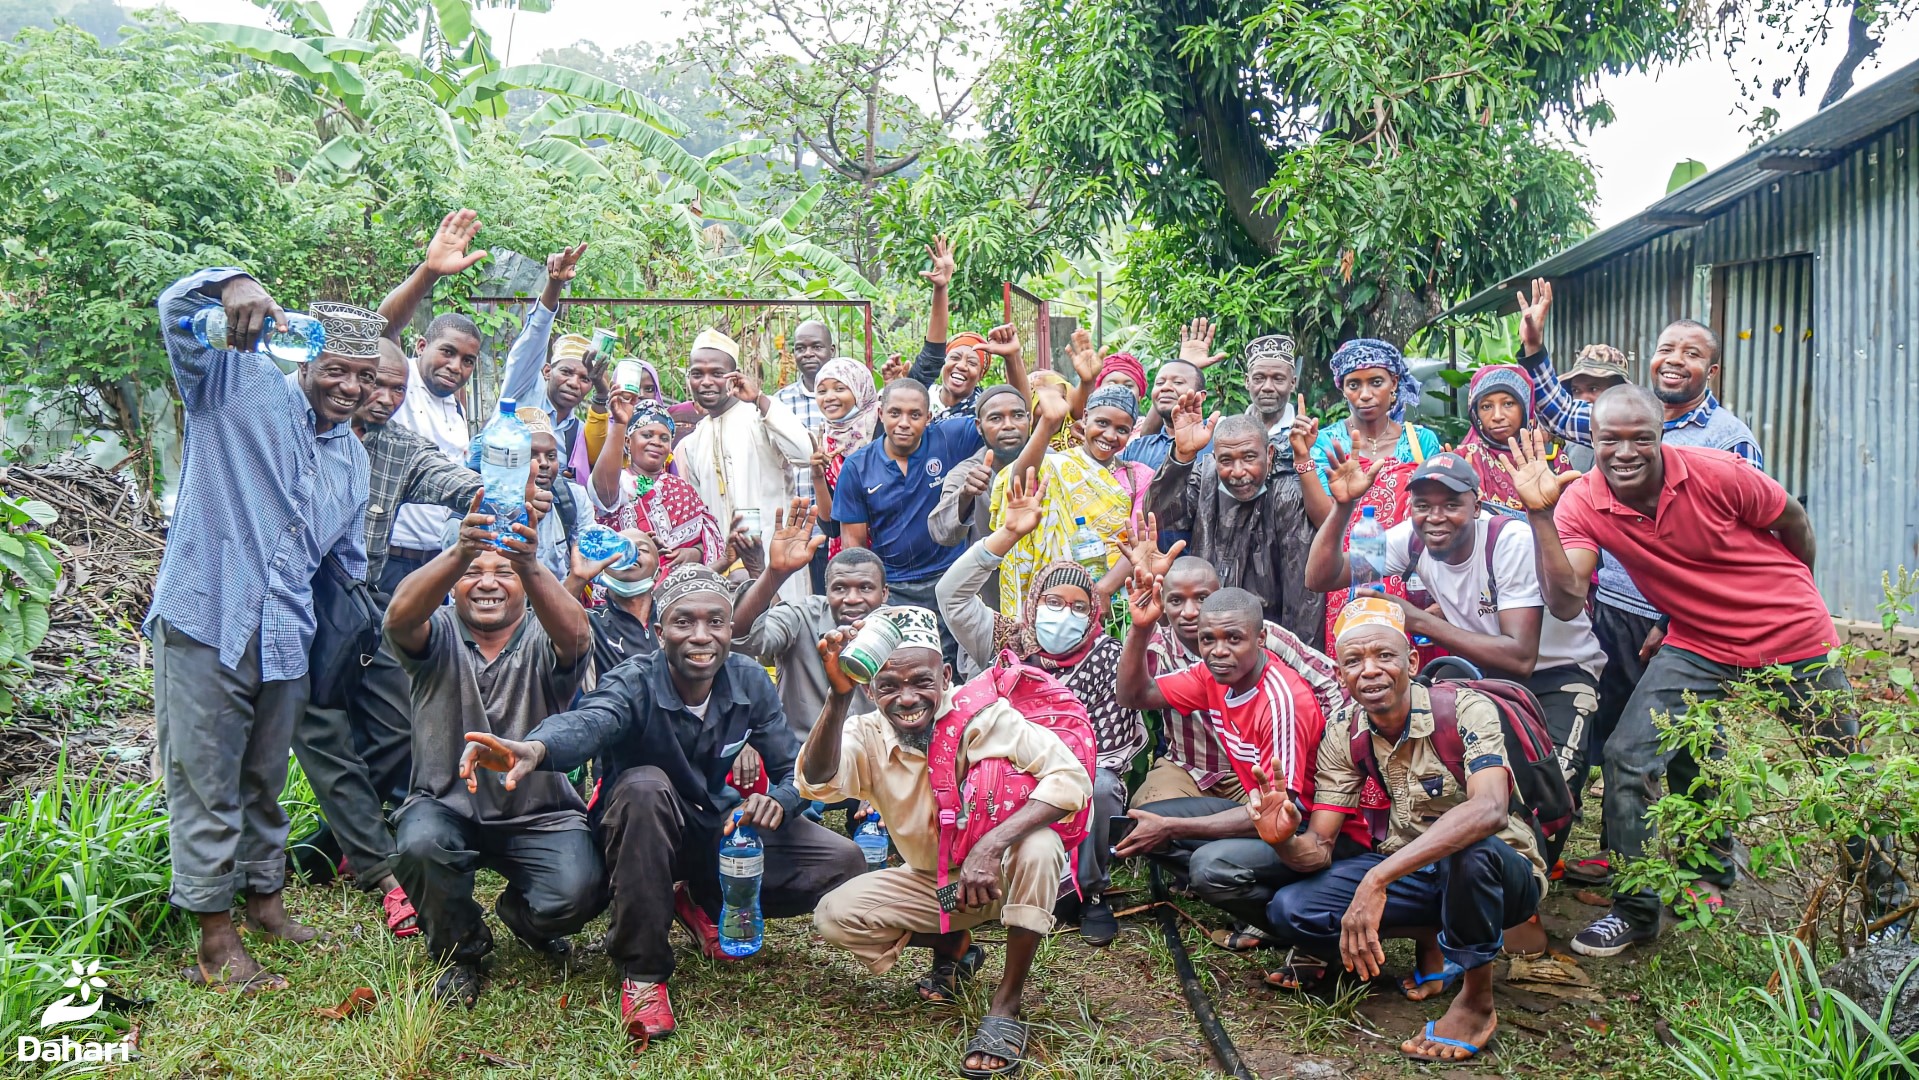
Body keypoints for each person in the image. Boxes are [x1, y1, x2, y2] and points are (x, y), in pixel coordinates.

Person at [1504, 396, 1858, 957]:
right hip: (1699, 641)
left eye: (1640, 437)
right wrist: (1540, 516)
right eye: (1609, 440)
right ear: (1590, 440)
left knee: (1843, 770)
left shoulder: (1719, 473)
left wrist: (1794, 595)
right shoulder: (1579, 503)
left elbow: (1793, 520)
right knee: (1626, 756)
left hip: (1793, 634)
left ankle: (1885, 906)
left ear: (1661, 432)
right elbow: (1567, 600)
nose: (1625, 452)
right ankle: (1636, 910)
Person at [461, 564, 864, 1044]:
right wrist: (537, 748)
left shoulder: (749, 679)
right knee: (645, 787)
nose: (701, 636)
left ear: (730, 629)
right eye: (683, 622)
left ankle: (701, 901)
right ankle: (644, 972)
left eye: (715, 622)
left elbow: (794, 770)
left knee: (843, 860)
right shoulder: (634, 680)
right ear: (659, 632)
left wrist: (778, 800)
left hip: (714, 825)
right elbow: (591, 721)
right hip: (638, 833)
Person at [148, 268, 379, 991]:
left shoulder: (355, 457)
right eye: (336, 370)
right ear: (304, 359)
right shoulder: (232, 387)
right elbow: (173, 310)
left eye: (363, 378)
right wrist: (231, 283)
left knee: (263, 781)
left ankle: (265, 904)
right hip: (208, 617)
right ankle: (216, 943)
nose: (348, 388)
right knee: (205, 780)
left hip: (287, 635)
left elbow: (345, 564)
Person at [1513, 282, 1763, 887]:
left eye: (1692, 352)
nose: (1675, 360)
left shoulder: (1727, 440)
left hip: (1684, 623)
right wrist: (1536, 349)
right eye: (1666, 348)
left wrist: (1676, 621)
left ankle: (1710, 869)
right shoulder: (1628, 416)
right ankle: (1624, 856)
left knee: (1692, 744)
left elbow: (1745, 547)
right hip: (1613, 610)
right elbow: (1561, 411)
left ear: (1713, 368)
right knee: (1620, 733)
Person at [803, 608, 1093, 1079]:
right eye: (889, 685)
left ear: (946, 675)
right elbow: (817, 782)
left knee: (1039, 845)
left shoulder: (986, 716)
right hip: (938, 887)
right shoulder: (864, 731)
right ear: (869, 689)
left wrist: (990, 846)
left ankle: (1006, 1004)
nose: (907, 698)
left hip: (1001, 878)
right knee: (834, 916)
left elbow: (1070, 779)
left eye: (921, 681)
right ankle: (954, 940)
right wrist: (837, 700)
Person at [1262, 599, 1546, 1064]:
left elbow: (1490, 809)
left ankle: (1476, 1000)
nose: (1369, 670)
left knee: (1467, 849)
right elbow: (1320, 847)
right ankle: (1437, 937)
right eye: (1353, 661)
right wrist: (1282, 838)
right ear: (1340, 674)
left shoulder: (1464, 708)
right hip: (1415, 868)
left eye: (1384, 656)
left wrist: (1377, 880)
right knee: (1291, 910)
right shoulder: (1345, 731)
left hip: (1500, 872)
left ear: (1412, 662)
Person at [1303, 450, 1606, 840]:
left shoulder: (1507, 542)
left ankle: (1529, 873)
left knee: (1551, 791)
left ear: (1477, 505)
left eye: (1451, 504)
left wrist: (1417, 620)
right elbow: (1320, 577)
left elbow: (1520, 657)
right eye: (1423, 505)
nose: (1435, 517)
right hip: (1484, 672)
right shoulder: (1413, 539)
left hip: (1560, 674)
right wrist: (1343, 507)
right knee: (1482, 783)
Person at [291, 335, 485, 942]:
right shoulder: (294, 430)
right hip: (288, 608)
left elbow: (449, 478)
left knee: (401, 726)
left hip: (357, 607)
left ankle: (330, 848)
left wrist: (490, 495)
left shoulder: (399, 447)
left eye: (396, 388)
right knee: (321, 730)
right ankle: (381, 872)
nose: (379, 396)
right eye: (373, 382)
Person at [384, 488, 602, 1007]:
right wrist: (458, 550)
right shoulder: (435, 634)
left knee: (581, 889)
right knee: (419, 844)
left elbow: (577, 637)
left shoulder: (542, 632)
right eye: (470, 572)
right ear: (451, 584)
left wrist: (529, 563)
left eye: (503, 572)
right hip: (445, 804)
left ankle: (522, 916)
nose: (486, 582)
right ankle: (460, 953)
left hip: (538, 812)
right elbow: (396, 619)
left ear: (525, 584)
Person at [1114, 583, 1367, 979]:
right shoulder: (1212, 675)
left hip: (1317, 835)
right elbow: (1134, 694)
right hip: (1264, 818)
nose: (1218, 651)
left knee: (1208, 867)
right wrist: (1140, 627)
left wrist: (1174, 826)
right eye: (1208, 639)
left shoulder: (1281, 701)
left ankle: (1311, 932)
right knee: (1143, 826)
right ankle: (1276, 915)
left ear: (1261, 638)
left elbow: (1288, 814)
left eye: (1234, 638)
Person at [938, 469, 1146, 944]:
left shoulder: (1106, 654)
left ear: (1094, 614)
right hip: (1004, 765)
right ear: (1034, 603)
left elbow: (1109, 747)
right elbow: (950, 595)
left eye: (1078, 607)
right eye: (1054, 601)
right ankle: (981, 872)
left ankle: (1089, 891)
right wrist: (1006, 534)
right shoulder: (1007, 640)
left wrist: (1059, 774)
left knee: (1101, 786)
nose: (1064, 614)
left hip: (1074, 772)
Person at [1146, 393, 1323, 646]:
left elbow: (1303, 598)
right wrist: (1182, 457)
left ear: (1270, 454)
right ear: (1215, 458)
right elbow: (1161, 519)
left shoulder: (1286, 495)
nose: (1238, 472)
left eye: (1249, 458)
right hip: (1204, 635)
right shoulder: (1204, 478)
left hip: (1266, 640)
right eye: (1226, 461)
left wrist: (1294, 658)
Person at [830, 377, 985, 664]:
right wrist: (869, 599)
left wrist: (1012, 358)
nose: (904, 422)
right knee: (904, 666)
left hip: (949, 580)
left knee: (952, 668)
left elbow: (1008, 419)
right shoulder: (857, 467)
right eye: (895, 413)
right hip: (895, 588)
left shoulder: (948, 439)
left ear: (928, 417)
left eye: (914, 415)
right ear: (880, 414)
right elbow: (854, 548)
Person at [373, 209, 489, 592]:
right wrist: (430, 272)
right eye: (447, 352)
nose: (456, 366)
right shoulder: (396, 380)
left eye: (467, 361)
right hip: (389, 557)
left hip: (437, 561)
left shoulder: (456, 408)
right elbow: (381, 329)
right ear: (421, 346)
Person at [1303, 338, 1443, 651]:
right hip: (1349, 578)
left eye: (1376, 382)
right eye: (1354, 385)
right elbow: (1326, 518)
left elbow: (1434, 520)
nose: (1365, 395)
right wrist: (1304, 461)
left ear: (1394, 383)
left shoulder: (1420, 441)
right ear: (1342, 388)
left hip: (1413, 579)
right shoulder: (1328, 442)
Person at [988, 375, 1152, 616]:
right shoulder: (1056, 464)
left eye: (1122, 430)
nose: (1109, 435)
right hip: (1052, 594)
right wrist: (1047, 424)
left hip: (1116, 600)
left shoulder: (1139, 476)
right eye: (1102, 423)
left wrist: (1102, 591)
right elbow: (1021, 482)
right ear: (1084, 419)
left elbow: (1141, 541)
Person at [675, 327, 816, 603]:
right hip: (726, 567)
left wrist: (760, 399)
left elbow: (804, 453)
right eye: (697, 373)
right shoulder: (695, 440)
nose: (706, 382)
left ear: (734, 376)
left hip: (776, 557)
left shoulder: (759, 415)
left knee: (783, 633)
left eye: (717, 373)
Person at [732, 500, 879, 736]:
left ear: (885, 593)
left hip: (875, 761)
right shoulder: (800, 617)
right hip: (800, 760)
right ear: (825, 589)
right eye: (840, 588)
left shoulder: (899, 631)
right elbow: (742, 638)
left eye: (865, 588)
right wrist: (774, 574)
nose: (852, 598)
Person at [496, 244, 600, 485]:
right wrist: (555, 285)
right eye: (566, 372)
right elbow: (534, 337)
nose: (574, 383)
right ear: (546, 371)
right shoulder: (520, 395)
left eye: (585, 379)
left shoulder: (579, 432)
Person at [591, 394, 723, 568]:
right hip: (623, 585)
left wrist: (694, 552)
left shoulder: (681, 488)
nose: (656, 442)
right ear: (627, 441)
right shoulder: (619, 482)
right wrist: (620, 424)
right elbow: (604, 493)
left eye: (664, 438)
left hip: (680, 585)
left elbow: (708, 538)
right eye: (647, 435)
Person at [927, 383, 1033, 572]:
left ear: (1028, 419)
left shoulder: (1053, 461)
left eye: (1017, 415)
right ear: (979, 426)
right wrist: (965, 495)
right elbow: (942, 533)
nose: (1008, 425)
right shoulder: (965, 474)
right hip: (991, 591)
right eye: (996, 418)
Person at [1450, 364, 1571, 519]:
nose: (1497, 416)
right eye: (1486, 406)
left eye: (1508, 403)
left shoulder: (1552, 459)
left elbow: (1574, 521)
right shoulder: (1465, 460)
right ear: (1476, 413)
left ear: (1525, 406)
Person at [803, 356, 879, 557]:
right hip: (850, 555)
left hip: (892, 550)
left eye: (839, 388)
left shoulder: (883, 430)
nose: (828, 397)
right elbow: (831, 527)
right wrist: (818, 476)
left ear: (859, 389)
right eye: (821, 391)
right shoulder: (827, 443)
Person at [566, 528, 663, 675]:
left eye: (642, 549)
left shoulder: (673, 619)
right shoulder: (589, 623)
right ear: (603, 569)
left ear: (658, 573)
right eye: (619, 547)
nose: (631, 553)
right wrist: (577, 579)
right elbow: (540, 637)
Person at [774, 319, 836, 505]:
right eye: (800, 348)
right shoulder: (780, 402)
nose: (808, 354)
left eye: (816, 347)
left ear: (831, 351)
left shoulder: (849, 398)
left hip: (842, 513)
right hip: (796, 513)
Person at [1554, 344, 1629, 472]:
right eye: (1576, 390)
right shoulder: (1566, 435)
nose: (1583, 399)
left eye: (1593, 389)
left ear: (1619, 393)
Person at [1245, 334, 1301, 450]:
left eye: (1278, 379)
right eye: (1259, 378)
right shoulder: (1228, 430)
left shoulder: (1306, 435)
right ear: (1247, 382)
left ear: (1292, 383)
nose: (1268, 387)